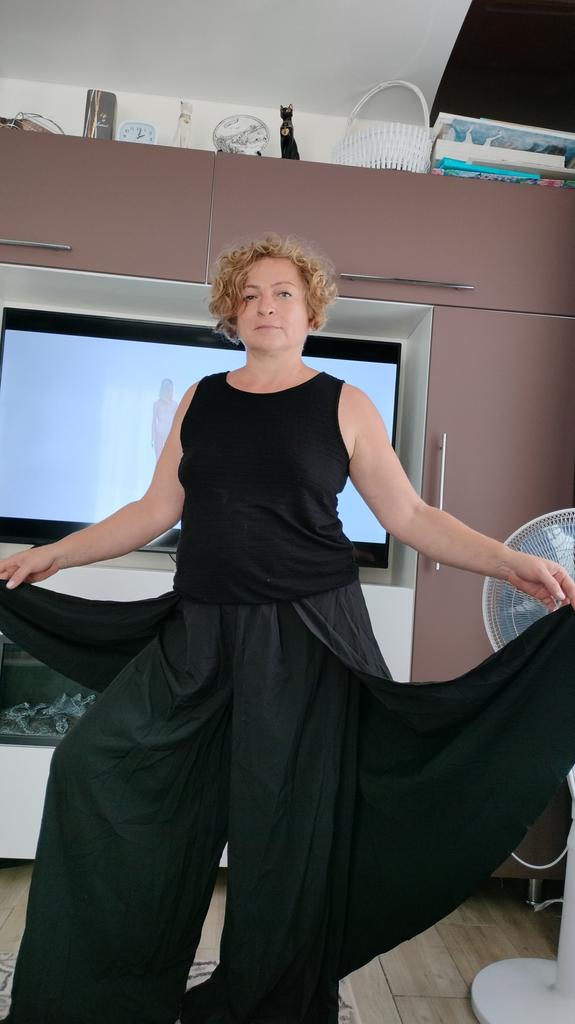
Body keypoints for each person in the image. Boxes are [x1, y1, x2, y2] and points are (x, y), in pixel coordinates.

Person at [0, 233, 574, 1024]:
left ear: (311, 313)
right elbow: (154, 509)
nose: (264, 306)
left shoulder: (343, 401)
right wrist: (53, 553)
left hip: (304, 639)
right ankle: (105, 997)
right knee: (91, 765)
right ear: (230, 313)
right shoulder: (202, 398)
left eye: (282, 294)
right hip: (198, 632)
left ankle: (261, 1004)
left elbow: (409, 515)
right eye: (248, 295)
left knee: (279, 832)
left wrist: (509, 562)